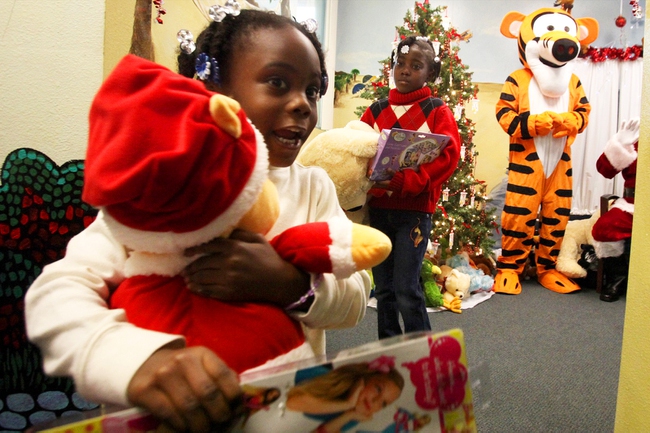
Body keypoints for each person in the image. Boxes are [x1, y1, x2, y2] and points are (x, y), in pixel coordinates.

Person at [24, 7, 371, 432]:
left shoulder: (314, 187)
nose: (302, 104)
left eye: (313, 90)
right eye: (278, 82)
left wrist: (291, 284)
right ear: (212, 87)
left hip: (283, 416)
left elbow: (356, 292)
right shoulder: (165, 184)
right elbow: (55, 293)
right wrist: (139, 359)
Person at [359, 35, 461, 339]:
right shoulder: (376, 110)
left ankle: (422, 354)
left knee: (407, 288)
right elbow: (358, 148)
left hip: (414, 214)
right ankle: (390, 351)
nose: (405, 70)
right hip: (378, 212)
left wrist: (408, 180)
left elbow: (448, 156)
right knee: (385, 290)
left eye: (415, 66)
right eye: (400, 64)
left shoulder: (436, 110)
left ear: (430, 72)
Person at [284, 357, 404, 432]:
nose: (376, 401)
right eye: (378, 389)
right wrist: (346, 404)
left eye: (383, 403)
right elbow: (291, 403)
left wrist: (348, 415)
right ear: (364, 379)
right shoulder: (332, 381)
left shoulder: (354, 415)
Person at [592, 118, 640, 302]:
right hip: (632, 204)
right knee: (605, 227)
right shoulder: (635, 137)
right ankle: (617, 280)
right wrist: (619, 143)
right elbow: (604, 170)